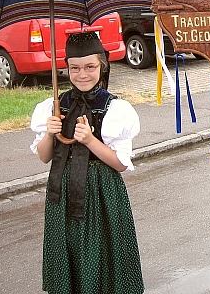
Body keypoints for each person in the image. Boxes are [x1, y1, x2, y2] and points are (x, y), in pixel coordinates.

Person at [30, 32, 144, 294]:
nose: (82, 74)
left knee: (101, 252)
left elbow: (120, 164)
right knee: (69, 250)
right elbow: (45, 156)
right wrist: (50, 131)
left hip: (101, 191)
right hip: (62, 192)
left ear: (102, 66)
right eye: (75, 68)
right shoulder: (55, 105)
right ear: (66, 68)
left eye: (90, 67)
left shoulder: (115, 109)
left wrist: (91, 141)